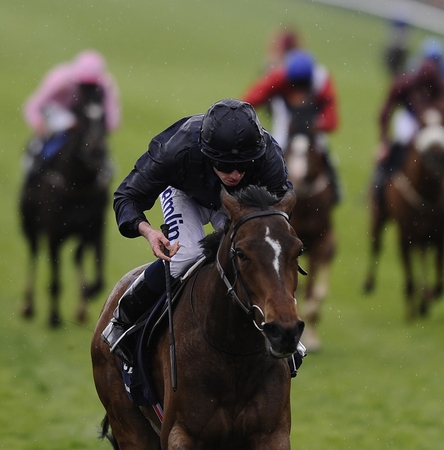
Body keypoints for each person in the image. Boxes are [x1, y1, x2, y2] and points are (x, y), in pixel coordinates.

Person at [102, 99, 304, 374]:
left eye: (242, 166)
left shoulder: (268, 155)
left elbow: (278, 214)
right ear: (206, 154)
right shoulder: (177, 149)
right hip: (184, 193)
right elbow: (127, 197)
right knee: (186, 257)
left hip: (238, 202)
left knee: (256, 255)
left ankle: (282, 326)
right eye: (224, 165)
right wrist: (148, 231)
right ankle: (123, 319)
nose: (234, 173)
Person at [243, 49, 341, 203]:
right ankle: (258, 190)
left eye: (303, 86)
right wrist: (242, 115)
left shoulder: (322, 80)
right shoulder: (279, 76)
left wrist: (317, 125)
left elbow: (332, 119)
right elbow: (252, 98)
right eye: (295, 86)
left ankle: (335, 189)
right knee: (276, 145)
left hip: (312, 118)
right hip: (286, 114)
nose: (299, 93)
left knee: (321, 148)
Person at [22, 50, 120, 173]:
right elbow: (34, 105)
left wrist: (100, 131)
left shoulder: (105, 85)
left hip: (84, 116)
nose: (87, 89)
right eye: (83, 84)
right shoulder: (60, 79)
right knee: (66, 125)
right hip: (57, 112)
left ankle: (104, 169)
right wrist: (38, 124)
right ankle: (35, 161)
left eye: (91, 85)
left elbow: (112, 117)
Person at [373, 58, 444, 201]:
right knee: (400, 145)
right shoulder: (404, 83)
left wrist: (439, 119)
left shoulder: (441, 86)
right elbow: (385, 112)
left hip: (431, 119)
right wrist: (385, 142)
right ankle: (381, 186)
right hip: (410, 118)